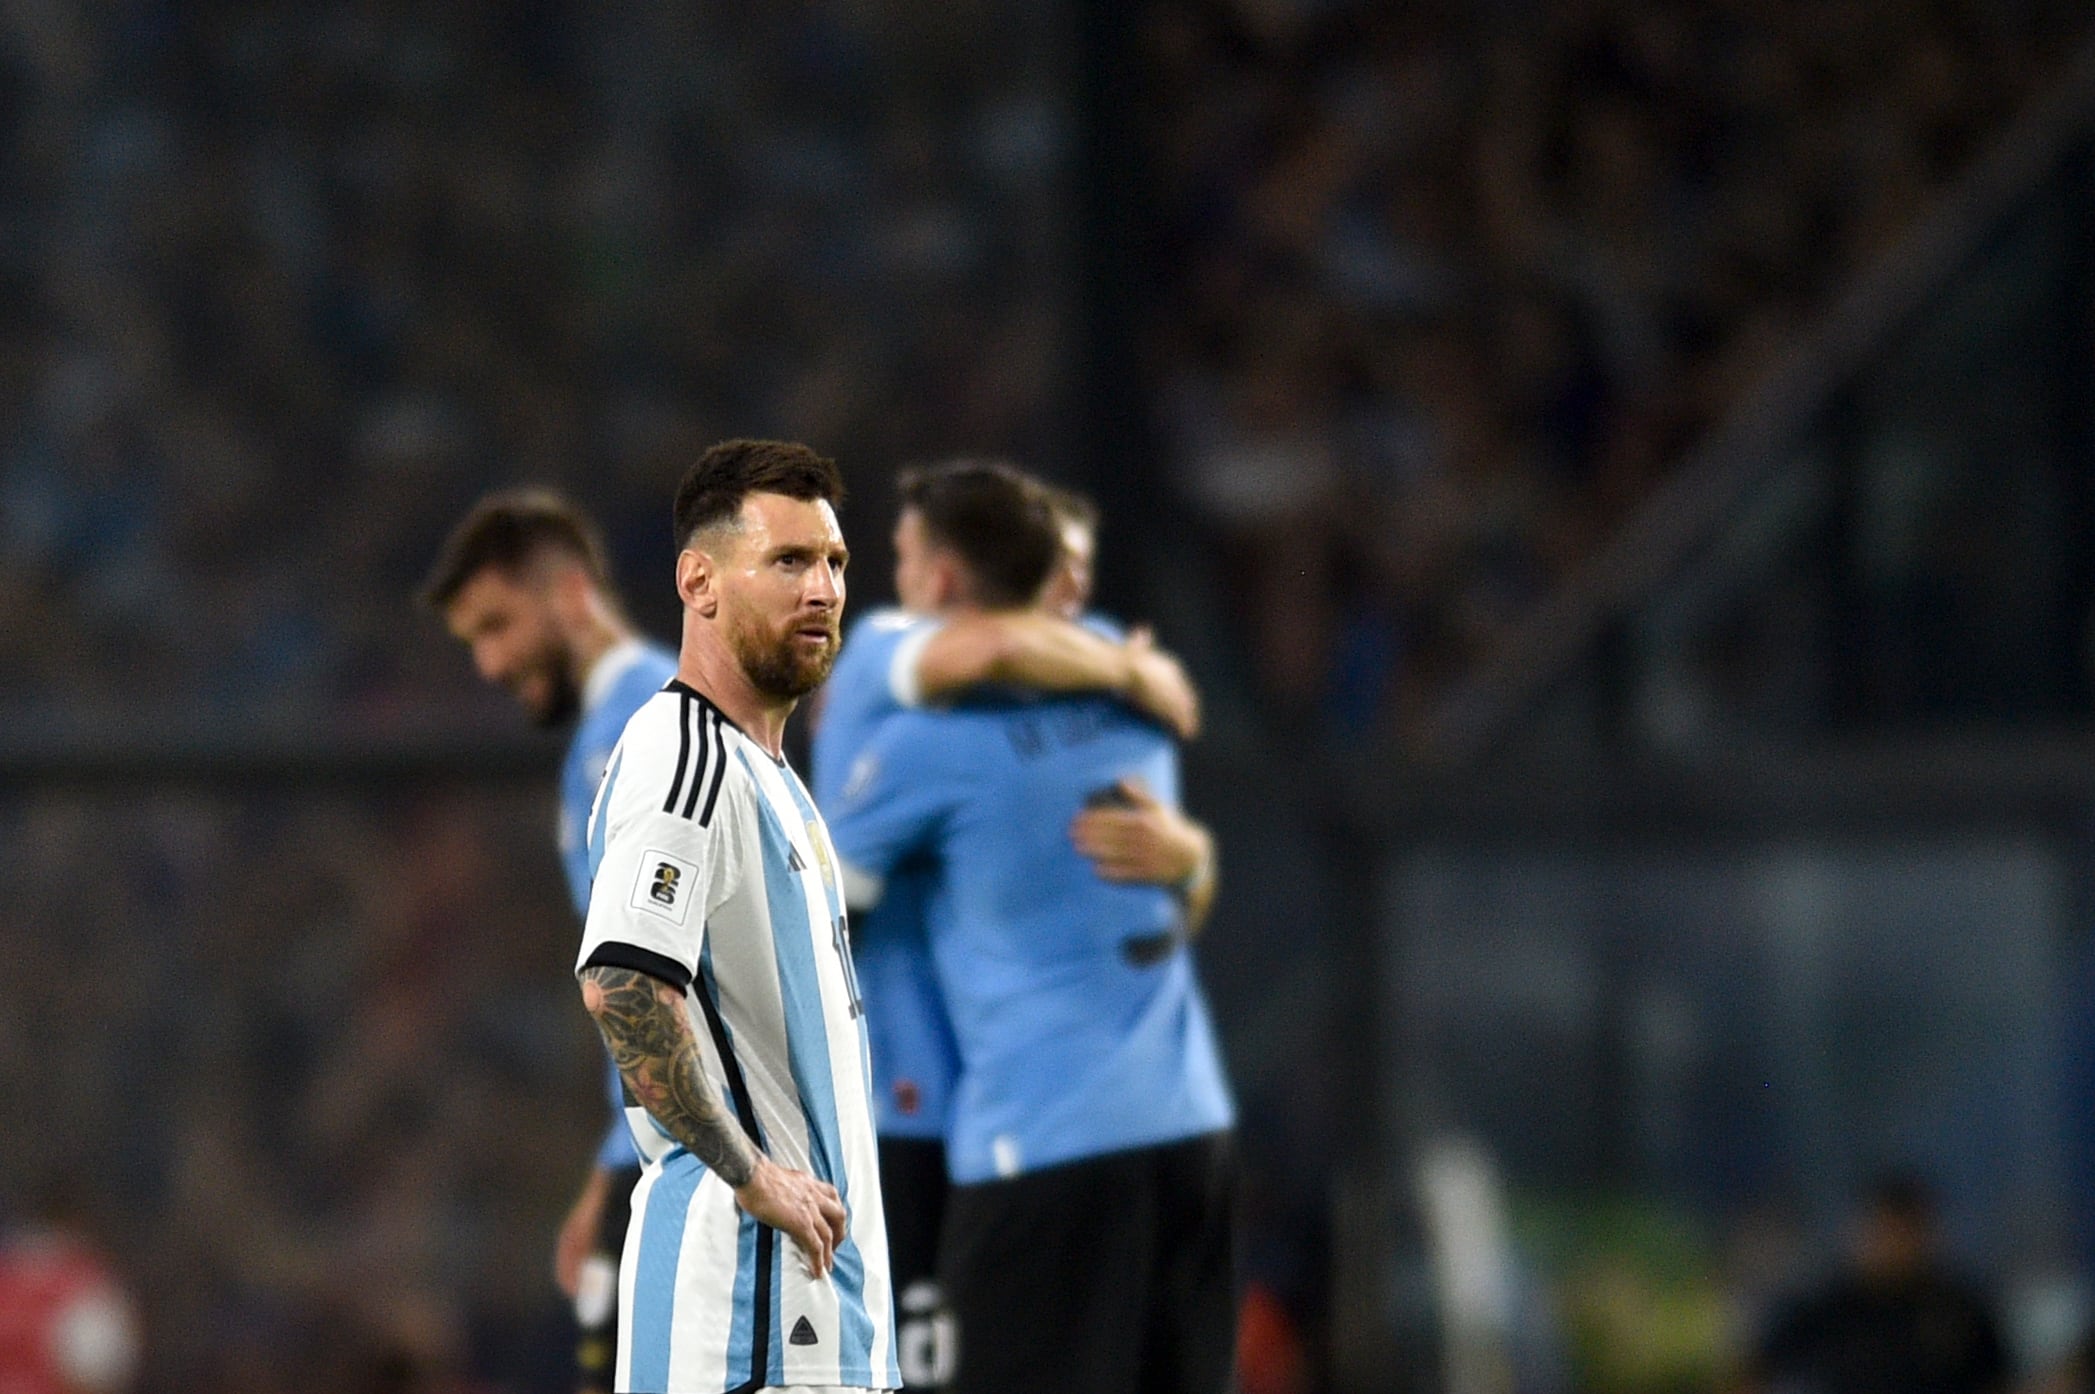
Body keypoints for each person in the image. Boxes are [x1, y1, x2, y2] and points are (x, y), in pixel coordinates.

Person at [825, 464, 1235, 1394]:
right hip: (1188, 1124)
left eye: (899, 556)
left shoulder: (916, 736)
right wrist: (1196, 861)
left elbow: (814, 911)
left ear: (939, 580)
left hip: (1021, 1136)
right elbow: (1172, 899)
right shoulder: (1129, 686)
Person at [576, 438, 897, 1394]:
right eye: (789, 561)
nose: (823, 589)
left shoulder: (774, 780)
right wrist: (751, 1173)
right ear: (699, 582)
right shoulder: (687, 755)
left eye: (835, 563)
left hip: (816, 1319)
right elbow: (623, 981)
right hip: (746, 1322)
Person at [420, 489, 677, 1394]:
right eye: (472, 643)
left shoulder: (655, 724)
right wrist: (613, 1164)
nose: (488, 662)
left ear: (570, 592)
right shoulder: (609, 738)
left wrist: (644, 1168)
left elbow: (680, 974)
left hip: (695, 1171)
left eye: (498, 624)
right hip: (654, 1156)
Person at [1747, 1173, 2009, 1394]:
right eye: (1884, 1230)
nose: (1892, 1243)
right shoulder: (1825, 1308)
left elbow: (1998, 1380)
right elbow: (1754, 1370)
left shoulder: (1958, 1310)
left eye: (1904, 1231)